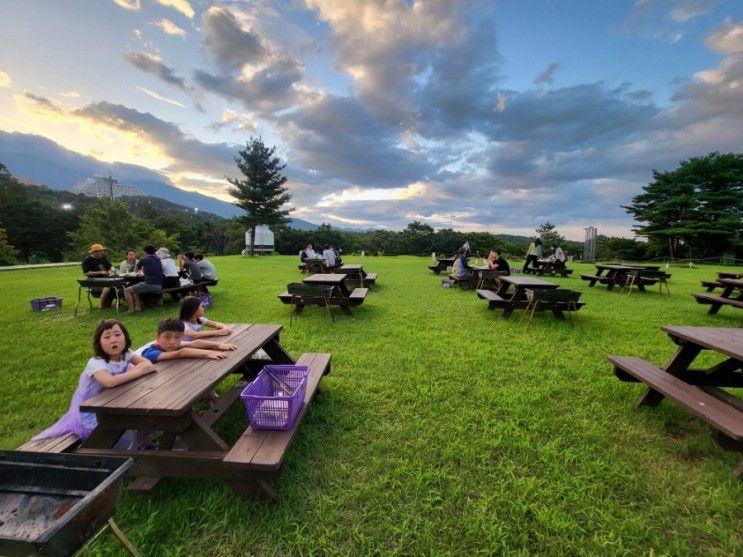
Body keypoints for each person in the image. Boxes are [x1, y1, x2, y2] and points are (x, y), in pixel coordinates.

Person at [31, 319, 157, 443]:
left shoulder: (126, 354)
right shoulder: (96, 362)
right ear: (99, 343)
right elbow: (109, 382)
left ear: (125, 337)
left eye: (118, 335)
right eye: (107, 337)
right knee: (118, 426)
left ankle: (142, 444)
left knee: (145, 413)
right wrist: (138, 371)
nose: (113, 340)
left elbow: (147, 364)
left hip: (115, 399)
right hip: (92, 408)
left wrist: (141, 368)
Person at [137, 318, 237, 363]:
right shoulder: (149, 352)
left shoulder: (167, 345)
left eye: (177, 337)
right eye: (167, 337)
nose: (172, 341)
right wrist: (208, 353)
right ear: (157, 337)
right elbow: (180, 353)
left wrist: (218, 345)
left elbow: (195, 343)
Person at [124, 244, 163, 313]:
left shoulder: (144, 259)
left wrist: (141, 272)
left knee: (128, 290)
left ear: (145, 251)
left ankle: (131, 310)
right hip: (160, 284)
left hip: (151, 284)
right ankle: (138, 307)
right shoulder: (158, 259)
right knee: (137, 287)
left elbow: (136, 271)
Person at [82, 243, 113, 309]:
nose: (102, 252)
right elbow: (87, 273)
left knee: (118, 284)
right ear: (94, 252)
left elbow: (110, 266)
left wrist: (111, 270)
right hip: (94, 281)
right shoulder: (87, 260)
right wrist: (100, 272)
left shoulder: (103, 258)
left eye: (102, 251)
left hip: (105, 279)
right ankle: (101, 306)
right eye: (101, 251)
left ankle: (114, 303)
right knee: (107, 287)